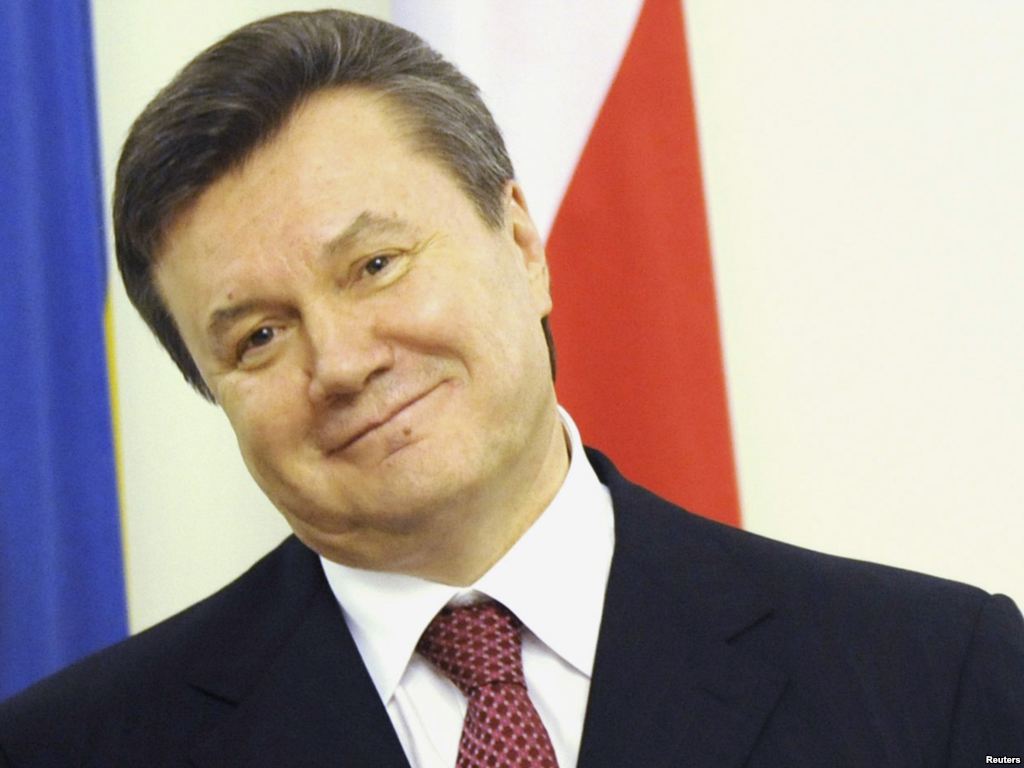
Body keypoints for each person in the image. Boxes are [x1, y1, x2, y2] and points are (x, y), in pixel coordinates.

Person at [1, 9, 1021, 767]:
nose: (342, 362)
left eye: (375, 265)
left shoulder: (935, 676)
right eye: (260, 335)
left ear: (524, 245)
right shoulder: (67, 750)